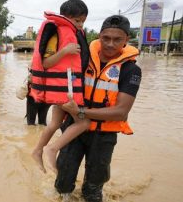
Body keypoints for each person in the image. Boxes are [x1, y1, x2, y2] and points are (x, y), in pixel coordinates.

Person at [55, 15, 141, 202]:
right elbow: (60, 79)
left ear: (127, 40)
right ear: (99, 35)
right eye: (106, 38)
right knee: (62, 183)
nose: (110, 44)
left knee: (93, 190)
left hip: (103, 136)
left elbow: (121, 111)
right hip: (74, 128)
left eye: (117, 39)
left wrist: (82, 112)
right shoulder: (83, 58)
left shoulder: (130, 70)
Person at [31, 0, 91, 173]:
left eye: (83, 21)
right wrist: (65, 51)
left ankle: (37, 151)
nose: (80, 25)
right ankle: (52, 149)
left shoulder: (76, 33)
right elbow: (46, 63)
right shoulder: (57, 32)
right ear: (65, 17)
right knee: (84, 122)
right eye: (77, 20)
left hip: (68, 89)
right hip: (66, 91)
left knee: (55, 122)